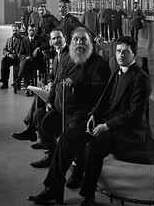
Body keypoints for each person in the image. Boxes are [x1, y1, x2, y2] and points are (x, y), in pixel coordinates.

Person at [28, 36, 153, 206]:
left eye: (125, 51)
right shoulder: (118, 72)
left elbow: (134, 115)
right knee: (66, 138)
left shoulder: (140, 78)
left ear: (134, 53)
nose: (121, 55)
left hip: (126, 132)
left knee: (93, 148)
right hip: (107, 124)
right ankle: (53, 188)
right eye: (118, 51)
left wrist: (106, 126)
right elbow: (103, 101)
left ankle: (88, 197)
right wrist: (94, 115)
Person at [30, 28, 109, 170]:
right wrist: (50, 101)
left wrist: (77, 85)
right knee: (40, 117)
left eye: (83, 39)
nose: (80, 43)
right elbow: (56, 81)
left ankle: (78, 166)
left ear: (90, 41)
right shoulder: (66, 58)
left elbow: (101, 91)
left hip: (83, 111)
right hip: (63, 108)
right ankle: (51, 155)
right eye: (76, 40)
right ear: (71, 42)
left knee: (72, 131)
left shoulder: (99, 63)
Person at [11, 28, 69, 144]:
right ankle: (34, 132)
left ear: (65, 39)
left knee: (39, 106)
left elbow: (65, 78)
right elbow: (52, 75)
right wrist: (49, 83)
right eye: (54, 39)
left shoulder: (68, 55)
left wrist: (52, 86)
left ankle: (33, 132)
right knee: (38, 96)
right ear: (51, 42)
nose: (56, 41)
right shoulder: (58, 56)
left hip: (63, 93)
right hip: (55, 88)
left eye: (59, 38)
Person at [12, 24, 44, 95]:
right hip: (27, 61)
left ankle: (19, 81)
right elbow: (20, 53)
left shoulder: (39, 39)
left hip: (36, 62)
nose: (31, 32)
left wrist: (38, 48)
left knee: (25, 64)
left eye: (33, 30)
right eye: (30, 30)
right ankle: (28, 89)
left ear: (35, 31)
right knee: (26, 63)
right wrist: (26, 57)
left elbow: (46, 45)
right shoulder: (24, 40)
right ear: (27, 31)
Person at [0, 24, 23, 89]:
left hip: (19, 58)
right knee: (4, 61)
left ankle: (15, 82)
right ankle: (4, 81)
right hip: (11, 57)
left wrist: (16, 55)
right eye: (13, 30)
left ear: (19, 31)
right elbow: (4, 50)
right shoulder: (9, 40)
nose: (14, 32)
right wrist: (8, 54)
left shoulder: (22, 40)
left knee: (7, 61)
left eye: (16, 30)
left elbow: (23, 50)